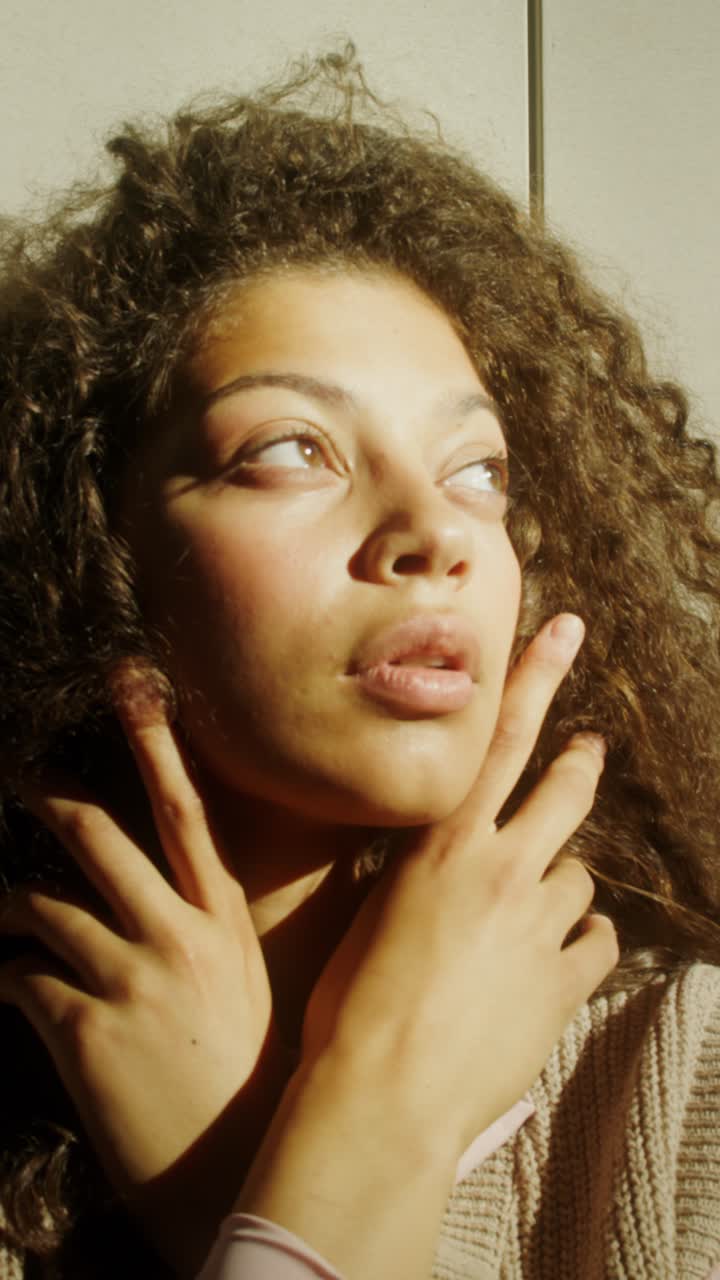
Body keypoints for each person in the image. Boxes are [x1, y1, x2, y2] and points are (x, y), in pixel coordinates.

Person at [0, 44, 718, 1280]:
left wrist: (266, 1183)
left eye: (479, 471)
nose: (437, 534)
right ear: (89, 550)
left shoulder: (686, 1071)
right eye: (290, 449)